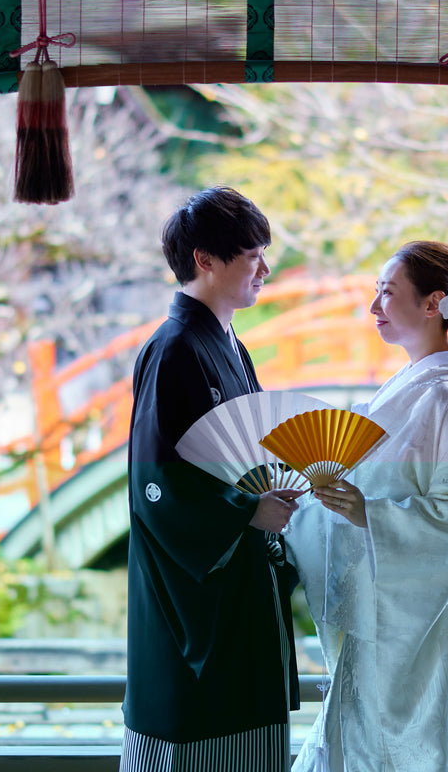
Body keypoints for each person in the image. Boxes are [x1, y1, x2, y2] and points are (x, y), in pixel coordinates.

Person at [285, 240, 448, 771]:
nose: (374, 307)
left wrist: (366, 512)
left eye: (386, 292)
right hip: (381, 615)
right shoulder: (412, 397)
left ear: (432, 303)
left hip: (422, 624)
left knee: (416, 747)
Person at [119, 186, 302, 772]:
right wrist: (245, 512)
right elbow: (155, 487)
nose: (266, 269)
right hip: (194, 594)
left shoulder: (232, 347)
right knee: (194, 740)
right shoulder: (172, 349)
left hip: (238, 579)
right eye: (254, 256)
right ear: (205, 259)